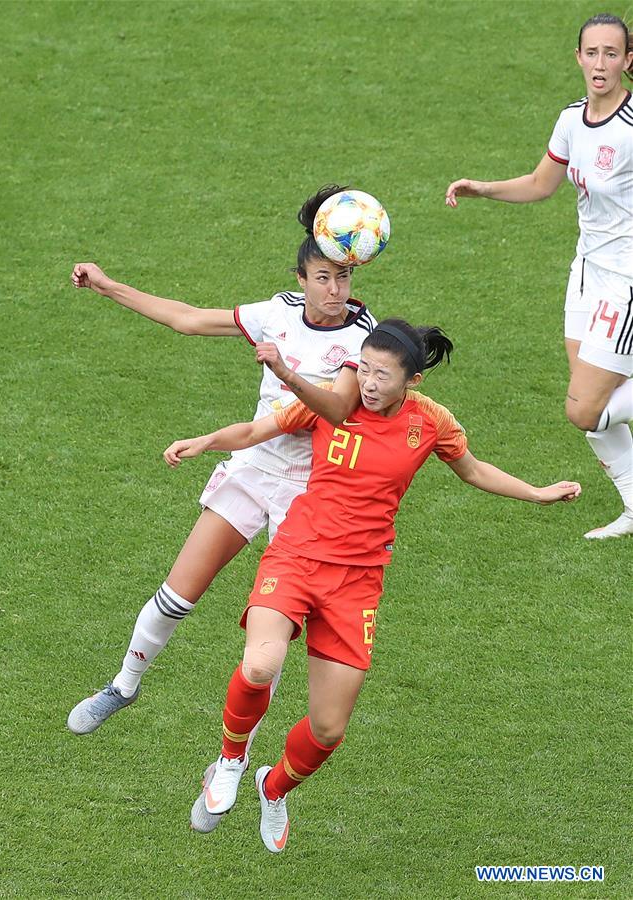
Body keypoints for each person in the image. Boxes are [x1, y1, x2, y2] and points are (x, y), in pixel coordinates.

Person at [164, 319, 581, 853]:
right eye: (364, 368)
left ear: (412, 381)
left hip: (358, 581)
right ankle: (229, 759)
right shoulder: (330, 401)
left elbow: (474, 472)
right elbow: (254, 433)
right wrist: (203, 442)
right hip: (296, 555)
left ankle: (272, 787)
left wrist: (538, 493)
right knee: (261, 664)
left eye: (383, 375)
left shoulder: (430, 422)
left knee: (329, 728)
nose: (368, 383)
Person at [66, 186, 378, 830]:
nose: (334, 289)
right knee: (179, 592)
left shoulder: (364, 335)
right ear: (301, 277)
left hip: (308, 496)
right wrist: (107, 285)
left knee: (269, 653)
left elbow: (339, 409)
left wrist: (288, 375)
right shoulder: (277, 313)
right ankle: (122, 686)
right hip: (252, 468)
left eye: (343, 276)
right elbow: (187, 318)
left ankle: (235, 764)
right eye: (323, 277)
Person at [445, 13, 633, 539]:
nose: (600, 64)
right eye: (591, 53)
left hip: (627, 280)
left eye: (611, 54)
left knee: (584, 411)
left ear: (628, 60)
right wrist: (482, 188)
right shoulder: (572, 119)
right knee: (586, 397)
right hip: (587, 272)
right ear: (578, 57)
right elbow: (539, 184)